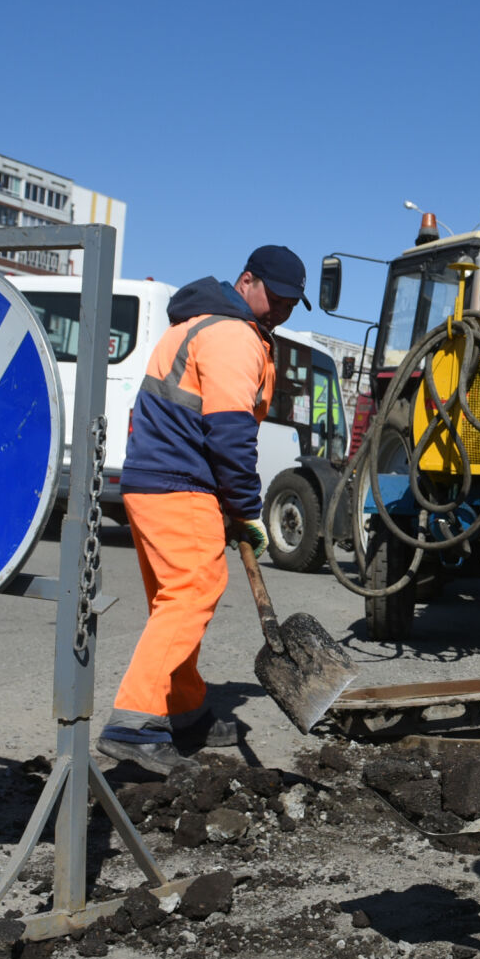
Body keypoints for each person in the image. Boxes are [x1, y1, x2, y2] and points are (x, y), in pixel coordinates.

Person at [96, 245, 310, 776]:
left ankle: (185, 711)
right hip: (178, 483)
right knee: (192, 592)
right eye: (276, 298)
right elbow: (232, 434)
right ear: (247, 281)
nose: (281, 310)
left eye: (290, 304)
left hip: (156, 483)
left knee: (176, 603)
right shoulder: (232, 336)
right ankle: (136, 723)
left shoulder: (199, 327)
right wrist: (246, 508)